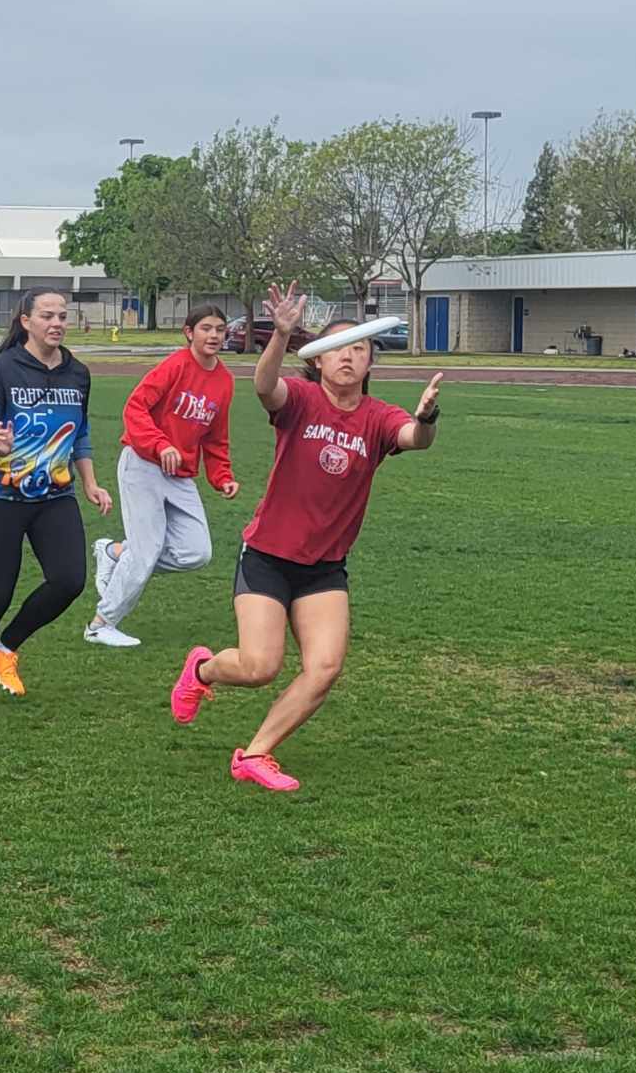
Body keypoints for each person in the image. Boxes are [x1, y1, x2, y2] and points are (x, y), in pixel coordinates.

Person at [168, 285, 442, 793]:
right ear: (317, 361)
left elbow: (414, 439)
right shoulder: (302, 400)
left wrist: (426, 417)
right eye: (339, 347)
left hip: (324, 568)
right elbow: (265, 386)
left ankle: (254, 754)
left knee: (324, 667)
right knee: (259, 667)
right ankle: (202, 671)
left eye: (360, 349)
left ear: (368, 364)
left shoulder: (378, 417)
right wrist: (283, 335)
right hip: (269, 556)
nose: (350, 356)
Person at [0, 286, 113, 718]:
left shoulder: (78, 373)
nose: (57, 323)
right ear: (25, 321)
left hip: (56, 495)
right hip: (1, 495)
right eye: (47, 315)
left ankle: (4, 648)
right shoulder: (3, 367)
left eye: (63, 316)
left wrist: (91, 482)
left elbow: (79, 432)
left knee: (69, 581)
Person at [87, 304, 240, 648]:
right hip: (142, 463)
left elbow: (216, 437)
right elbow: (135, 407)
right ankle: (100, 624)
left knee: (196, 552)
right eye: (206, 328)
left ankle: (114, 553)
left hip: (180, 474)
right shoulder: (175, 365)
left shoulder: (225, 381)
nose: (214, 335)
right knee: (146, 550)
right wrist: (160, 445)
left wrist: (222, 476)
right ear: (189, 333)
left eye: (219, 329)